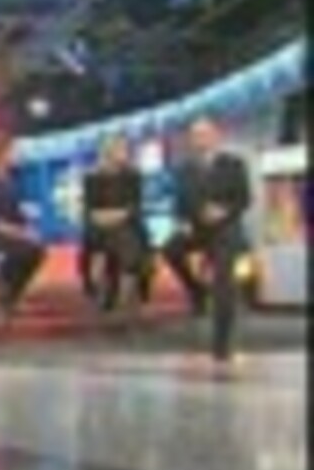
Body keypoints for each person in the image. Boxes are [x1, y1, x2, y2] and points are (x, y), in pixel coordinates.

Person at [162, 116, 251, 369]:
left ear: (216, 136)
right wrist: (182, 221)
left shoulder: (234, 164)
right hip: (196, 228)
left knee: (224, 283)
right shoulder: (184, 169)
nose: (200, 139)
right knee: (170, 250)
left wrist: (223, 211)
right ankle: (196, 290)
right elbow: (179, 203)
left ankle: (221, 346)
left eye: (205, 134)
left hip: (225, 228)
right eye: (195, 135)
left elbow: (244, 199)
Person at [0, 134, 46, 317]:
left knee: (37, 249)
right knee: (25, 249)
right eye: (12, 151)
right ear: (0, 154)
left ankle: (8, 294)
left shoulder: (9, 181)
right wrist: (21, 233)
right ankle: (1, 285)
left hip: (8, 234)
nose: (15, 155)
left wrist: (29, 229)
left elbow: (16, 214)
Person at [79, 135, 150, 316]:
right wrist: (104, 217)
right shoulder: (92, 176)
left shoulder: (133, 175)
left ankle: (123, 294)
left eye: (125, 149)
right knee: (106, 238)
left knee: (125, 238)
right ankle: (107, 290)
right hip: (99, 225)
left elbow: (135, 206)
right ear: (108, 152)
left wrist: (116, 216)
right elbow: (89, 208)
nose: (124, 153)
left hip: (127, 223)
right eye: (120, 149)